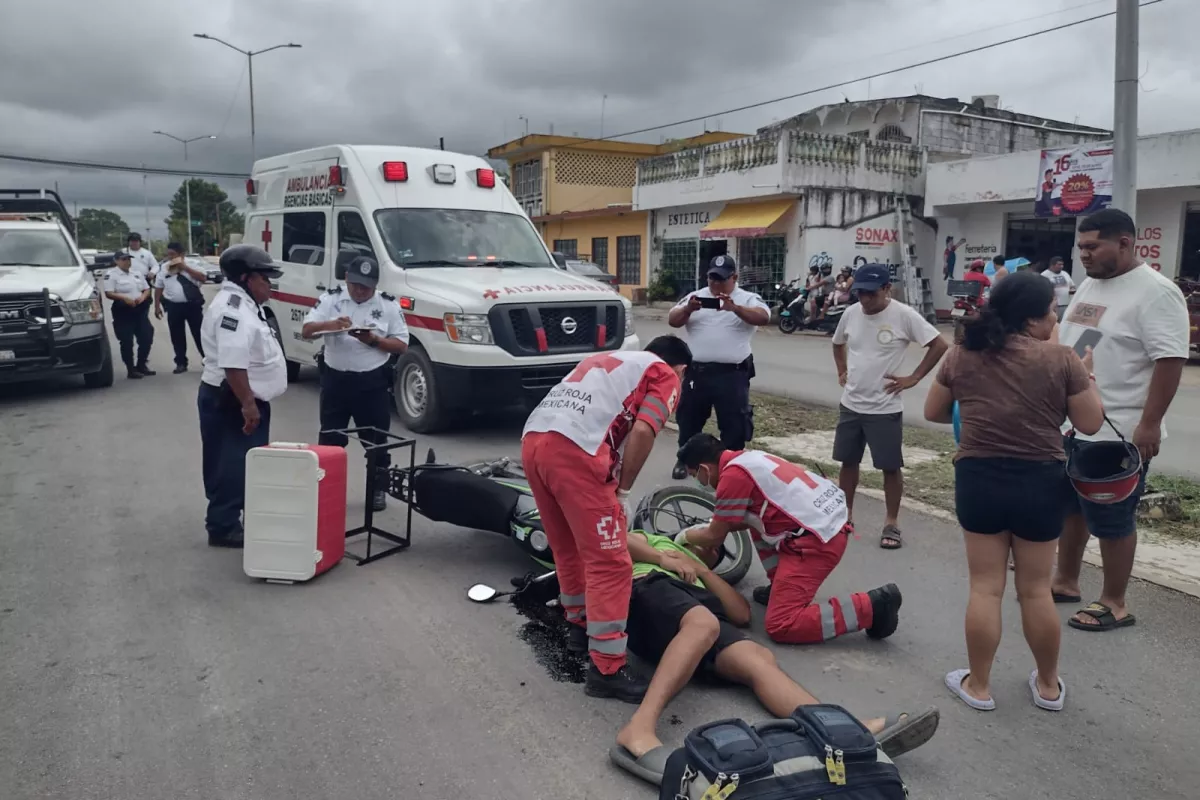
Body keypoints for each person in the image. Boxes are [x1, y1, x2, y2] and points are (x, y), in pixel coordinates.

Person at [609, 528, 939, 785]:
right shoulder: (654, 544)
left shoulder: (700, 573)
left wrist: (703, 570)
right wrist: (665, 557)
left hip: (693, 614)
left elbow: (739, 614)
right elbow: (618, 538)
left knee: (756, 656)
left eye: (715, 554)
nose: (711, 552)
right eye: (706, 547)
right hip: (646, 589)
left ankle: (843, 730)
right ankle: (638, 729)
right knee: (703, 623)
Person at [924, 271, 1104, 713]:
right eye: (1051, 311)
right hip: (1040, 482)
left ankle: (979, 686)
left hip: (979, 478)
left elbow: (933, 411)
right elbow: (1090, 424)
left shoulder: (963, 353)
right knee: (1037, 590)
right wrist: (1088, 379)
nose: (1055, 317)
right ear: (1033, 318)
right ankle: (1047, 687)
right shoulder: (1062, 359)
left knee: (986, 588)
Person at [521, 336, 693, 701]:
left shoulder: (610, 359)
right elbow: (645, 430)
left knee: (568, 548)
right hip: (575, 451)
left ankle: (579, 629)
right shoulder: (665, 373)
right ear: (682, 369)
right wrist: (624, 490)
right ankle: (608, 669)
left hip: (535, 441)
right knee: (611, 563)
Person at [1051, 208, 1190, 632]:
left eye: (1093, 247)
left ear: (1125, 243)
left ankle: (1114, 602)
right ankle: (1065, 579)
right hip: (1072, 426)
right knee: (1071, 509)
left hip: (1119, 431)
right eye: (1081, 248)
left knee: (1112, 518)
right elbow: (1080, 341)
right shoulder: (1092, 285)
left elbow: (1169, 359)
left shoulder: (1155, 292)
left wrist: (1149, 424)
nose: (1084, 255)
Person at [675, 433, 903, 645]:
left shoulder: (732, 477)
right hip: (825, 525)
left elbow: (715, 536)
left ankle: (872, 608)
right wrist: (712, 526)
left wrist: (683, 536)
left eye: (697, 476)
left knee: (781, 625)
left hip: (816, 542)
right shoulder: (748, 459)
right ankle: (780, 588)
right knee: (755, 522)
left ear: (705, 468)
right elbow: (737, 521)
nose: (699, 482)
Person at [831, 263, 948, 549]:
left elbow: (939, 344)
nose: (865, 300)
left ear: (887, 289)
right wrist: (842, 370)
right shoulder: (850, 313)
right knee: (848, 462)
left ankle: (892, 522)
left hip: (884, 407)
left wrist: (914, 378)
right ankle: (844, 515)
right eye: (859, 293)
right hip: (851, 404)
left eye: (871, 293)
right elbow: (837, 343)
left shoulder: (903, 315)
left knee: (890, 466)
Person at [302, 256, 409, 512]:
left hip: (371, 382)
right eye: (356, 284)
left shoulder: (387, 305)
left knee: (376, 441)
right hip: (335, 381)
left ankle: (377, 489)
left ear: (375, 285)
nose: (360, 291)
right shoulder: (331, 299)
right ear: (347, 279)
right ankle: (327, 489)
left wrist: (373, 340)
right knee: (330, 439)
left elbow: (402, 345)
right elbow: (307, 330)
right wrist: (332, 325)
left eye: (366, 287)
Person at [197, 245, 288, 548]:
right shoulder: (232, 310)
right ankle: (223, 526)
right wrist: (248, 405)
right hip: (234, 400)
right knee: (231, 463)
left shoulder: (247, 304)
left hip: (242, 397)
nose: (270, 285)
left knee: (244, 461)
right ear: (247, 278)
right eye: (266, 278)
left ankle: (236, 515)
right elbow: (233, 364)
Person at [668, 255, 770, 480]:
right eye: (712, 278)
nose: (715, 284)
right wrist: (688, 309)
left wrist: (735, 309)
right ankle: (685, 460)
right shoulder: (696, 297)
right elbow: (672, 319)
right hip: (698, 373)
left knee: (734, 424)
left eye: (722, 279)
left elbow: (763, 317)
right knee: (688, 419)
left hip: (731, 375)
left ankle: (732, 467)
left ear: (734, 277)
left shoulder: (748, 298)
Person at [154, 242, 207, 373]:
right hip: (174, 306)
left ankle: (208, 360)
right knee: (177, 335)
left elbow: (203, 278)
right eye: (168, 255)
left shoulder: (192, 264)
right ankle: (181, 362)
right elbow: (159, 287)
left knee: (200, 334)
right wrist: (156, 306)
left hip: (192, 305)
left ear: (181, 254)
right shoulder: (165, 268)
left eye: (173, 255)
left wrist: (185, 268)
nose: (170, 257)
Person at [102, 252, 154, 380]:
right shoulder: (111, 275)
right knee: (126, 341)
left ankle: (141, 364)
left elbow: (147, 288)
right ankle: (130, 369)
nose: (127, 262)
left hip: (139, 309)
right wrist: (124, 297)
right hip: (123, 311)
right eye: (124, 259)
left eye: (128, 259)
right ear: (117, 261)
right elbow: (109, 293)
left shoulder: (136, 273)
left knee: (147, 336)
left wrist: (143, 297)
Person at [124, 232, 158, 370]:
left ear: (140, 242)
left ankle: (142, 363)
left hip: (143, 284)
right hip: (126, 288)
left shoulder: (146, 253)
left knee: (145, 332)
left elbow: (155, 266)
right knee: (127, 336)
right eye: (132, 241)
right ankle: (131, 367)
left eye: (136, 241)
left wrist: (152, 273)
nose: (134, 243)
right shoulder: (123, 253)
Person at [1041, 256, 1076, 321]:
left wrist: (1072, 295)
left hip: (1066, 304)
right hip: (1053, 306)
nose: (1061, 266)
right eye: (1059, 264)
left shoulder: (1065, 273)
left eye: (1062, 264)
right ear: (1052, 265)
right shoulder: (1044, 275)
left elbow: (1072, 285)